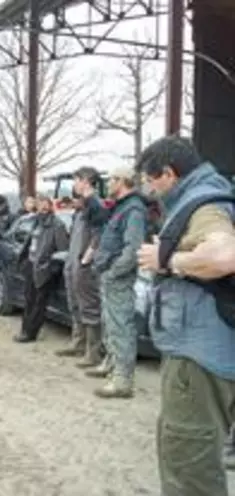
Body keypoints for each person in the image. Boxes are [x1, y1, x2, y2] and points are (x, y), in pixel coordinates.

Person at [135, 136, 235, 496]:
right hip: (211, 351)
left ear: (169, 174)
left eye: (151, 180)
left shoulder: (204, 206)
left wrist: (167, 261)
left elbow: (225, 256)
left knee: (188, 463)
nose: (149, 189)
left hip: (201, 359)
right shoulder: (213, 195)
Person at [90, 167, 147, 398]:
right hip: (109, 274)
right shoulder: (121, 207)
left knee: (121, 326)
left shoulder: (133, 210)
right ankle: (111, 363)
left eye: (112, 179)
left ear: (123, 181)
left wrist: (114, 272)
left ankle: (122, 380)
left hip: (118, 278)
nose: (109, 183)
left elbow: (132, 249)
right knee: (110, 323)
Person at [55, 167, 105, 368]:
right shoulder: (81, 207)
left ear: (86, 180)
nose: (74, 184)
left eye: (76, 180)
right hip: (72, 260)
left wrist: (87, 258)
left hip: (84, 263)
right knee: (74, 302)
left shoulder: (96, 204)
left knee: (89, 305)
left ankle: (93, 352)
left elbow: (99, 234)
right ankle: (78, 341)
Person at [14, 195, 69, 343]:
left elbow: (63, 250)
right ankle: (24, 329)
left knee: (39, 303)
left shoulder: (57, 225)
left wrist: (51, 268)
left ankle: (30, 333)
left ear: (51, 206)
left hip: (45, 268)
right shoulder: (35, 222)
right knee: (29, 299)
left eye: (46, 205)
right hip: (31, 265)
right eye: (40, 205)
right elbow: (28, 242)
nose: (43, 208)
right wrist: (24, 261)